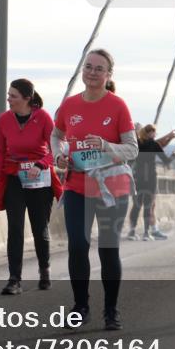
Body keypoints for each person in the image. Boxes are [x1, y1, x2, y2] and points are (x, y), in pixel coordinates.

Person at [52, 49, 137, 331]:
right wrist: (58, 156)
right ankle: (80, 307)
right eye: (88, 67)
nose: (92, 72)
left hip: (112, 188)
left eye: (99, 69)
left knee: (108, 250)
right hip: (77, 185)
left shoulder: (118, 106)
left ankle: (111, 310)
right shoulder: (70, 105)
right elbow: (56, 134)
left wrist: (106, 146)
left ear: (108, 75)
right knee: (78, 246)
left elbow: (132, 149)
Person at [0, 79, 62, 295]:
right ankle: (14, 279)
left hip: (40, 178)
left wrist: (41, 165)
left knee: (40, 228)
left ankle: (44, 269)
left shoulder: (43, 117)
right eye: (8, 95)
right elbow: (2, 151)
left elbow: (55, 149)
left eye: (13, 96)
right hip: (15, 178)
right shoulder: (3, 120)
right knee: (15, 228)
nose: (9, 99)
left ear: (27, 99)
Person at [127, 124, 175, 240]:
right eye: (154, 132)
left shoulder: (137, 144)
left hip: (138, 177)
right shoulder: (154, 145)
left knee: (136, 205)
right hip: (151, 178)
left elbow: (130, 161)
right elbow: (166, 161)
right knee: (148, 206)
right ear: (150, 133)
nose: (155, 135)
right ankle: (146, 233)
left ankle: (132, 232)